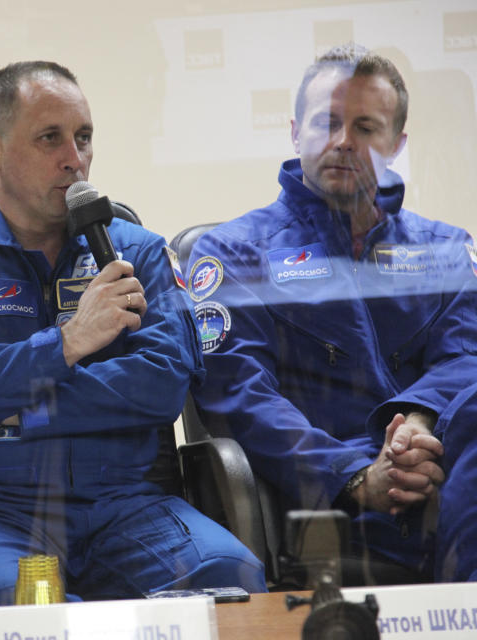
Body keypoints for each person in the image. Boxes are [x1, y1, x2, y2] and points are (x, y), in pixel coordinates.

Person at [0, 60, 266, 604]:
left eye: (84, 138)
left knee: (232, 578)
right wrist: (67, 342)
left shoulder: (137, 250)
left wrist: (14, 406)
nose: (74, 160)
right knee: (22, 607)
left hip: (125, 504)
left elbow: (161, 387)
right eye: (50, 139)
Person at [186, 43, 477, 582]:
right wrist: (358, 476)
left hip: (449, 484)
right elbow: (241, 397)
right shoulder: (234, 253)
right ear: (296, 131)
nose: (344, 141)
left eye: (366, 127)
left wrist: (417, 421)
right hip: (327, 507)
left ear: (396, 143)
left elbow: (468, 359)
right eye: (328, 122)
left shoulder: (446, 250)